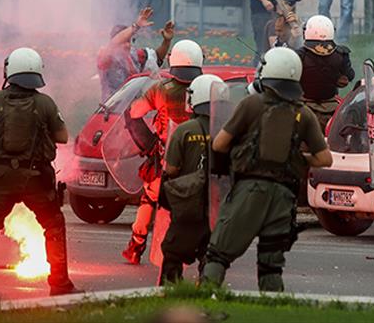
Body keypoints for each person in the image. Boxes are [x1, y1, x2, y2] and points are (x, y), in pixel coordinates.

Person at [201, 47, 333, 291]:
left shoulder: (251, 104)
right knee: (271, 266)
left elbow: (219, 144)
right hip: (284, 197)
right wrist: (297, 158)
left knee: (218, 254)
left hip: (249, 191)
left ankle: (202, 301)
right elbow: (325, 159)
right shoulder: (304, 114)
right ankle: (274, 308)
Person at [0, 48, 77, 301]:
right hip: (36, 179)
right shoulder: (45, 103)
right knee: (53, 225)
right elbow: (62, 136)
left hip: (0, 177)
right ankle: (59, 284)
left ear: (9, 71)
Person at [121, 39, 205, 265]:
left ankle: (136, 247)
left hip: (166, 161)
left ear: (173, 62)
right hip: (201, 164)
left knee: (149, 199)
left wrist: (148, 143)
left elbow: (134, 113)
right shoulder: (206, 89)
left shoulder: (160, 90)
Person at [157, 74, 225, 283]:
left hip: (187, 206)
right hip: (218, 207)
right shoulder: (227, 132)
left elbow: (172, 169)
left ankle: (170, 292)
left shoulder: (184, 131)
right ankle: (207, 292)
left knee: (173, 252)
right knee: (211, 257)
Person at [97, 6, 175, 100]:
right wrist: (136, 26)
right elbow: (113, 44)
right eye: (123, 42)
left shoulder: (134, 55)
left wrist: (166, 41)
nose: (127, 45)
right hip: (111, 110)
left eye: (129, 41)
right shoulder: (106, 57)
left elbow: (157, 58)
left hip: (133, 109)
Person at [295, 15, 354, 131]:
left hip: (303, 108)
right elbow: (350, 75)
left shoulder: (299, 55)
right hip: (332, 109)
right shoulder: (342, 54)